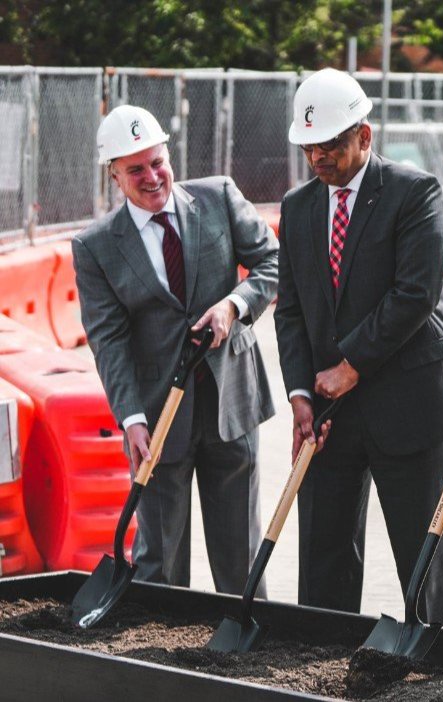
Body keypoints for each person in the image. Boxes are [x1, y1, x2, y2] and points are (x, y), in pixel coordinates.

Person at [275, 68, 443, 616]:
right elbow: (289, 310)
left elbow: (415, 294)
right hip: (329, 411)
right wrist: (299, 395)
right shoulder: (297, 207)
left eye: (330, 144)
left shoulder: (414, 192)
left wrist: (351, 365)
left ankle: (430, 667)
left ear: (365, 135)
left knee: (421, 557)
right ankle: (322, 661)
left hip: (409, 405)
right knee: (323, 556)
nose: (318, 158)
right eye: (309, 147)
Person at [74, 104, 278, 594]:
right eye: (136, 169)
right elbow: (108, 339)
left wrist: (235, 304)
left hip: (231, 401)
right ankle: (159, 661)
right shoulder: (95, 246)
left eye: (157, 161)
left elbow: (273, 263)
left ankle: (246, 651)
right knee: (159, 560)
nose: (152, 176)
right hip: (157, 417)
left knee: (240, 554)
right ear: (115, 177)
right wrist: (130, 418)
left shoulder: (218, 198)